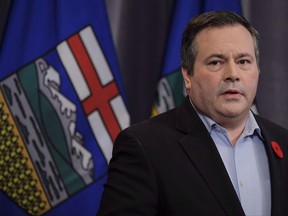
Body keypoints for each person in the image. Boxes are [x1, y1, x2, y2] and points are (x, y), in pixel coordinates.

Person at [97, 10, 288, 216]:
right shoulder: (144, 146)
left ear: (257, 71)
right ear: (187, 75)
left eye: (243, 62)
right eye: (216, 62)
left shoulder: (283, 143)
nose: (233, 74)